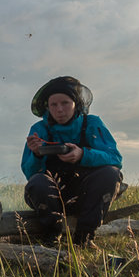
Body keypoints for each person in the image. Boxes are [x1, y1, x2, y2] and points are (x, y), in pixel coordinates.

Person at [21, 76, 123, 245]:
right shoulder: (39, 130)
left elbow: (115, 158)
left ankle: (84, 237)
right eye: (54, 105)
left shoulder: (92, 123)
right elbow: (30, 175)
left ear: (76, 103)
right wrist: (37, 154)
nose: (59, 109)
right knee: (38, 182)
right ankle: (51, 236)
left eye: (65, 103)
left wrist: (83, 154)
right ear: (48, 106)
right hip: (51, 197)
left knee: (110, 174)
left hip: (86, 196)